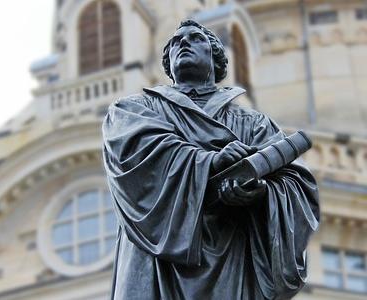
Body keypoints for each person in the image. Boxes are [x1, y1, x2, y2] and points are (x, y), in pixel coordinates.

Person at [102, 19, 319, 300]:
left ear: (216, 58)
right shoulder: (133, 109)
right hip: (155, 260)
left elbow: (296, 183)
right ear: (167, 64)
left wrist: (261, 192)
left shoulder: (254, 123)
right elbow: (135, 149)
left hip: (230, 257)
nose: (183, 43)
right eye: (175, 43)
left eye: (195, 38)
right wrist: (208, 162)